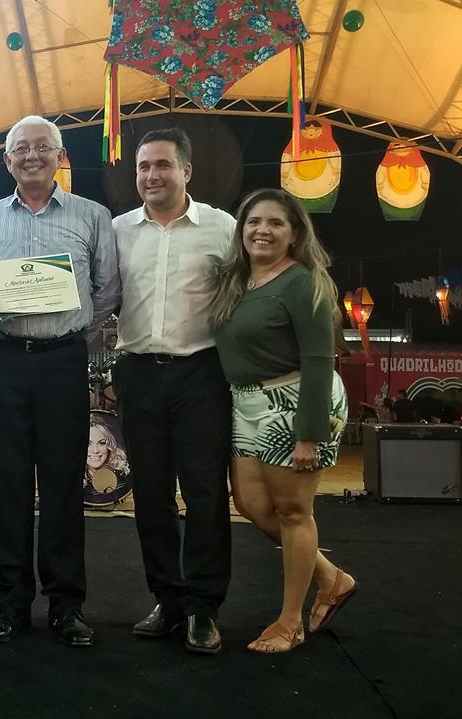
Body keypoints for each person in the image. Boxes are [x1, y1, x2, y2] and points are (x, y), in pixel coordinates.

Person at [0, 115, 120, 647]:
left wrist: (73, 332)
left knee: (62, 481)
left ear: (59, 156)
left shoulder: (92, 215)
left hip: (62, 363)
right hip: (3, 359)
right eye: (21, 149)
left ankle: (66, 604)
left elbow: (107, 290)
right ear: (7, 161)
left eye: (42, 147)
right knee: (4, 481)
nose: (32, 155)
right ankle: (9, 600)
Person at [212, 188, 357, 653]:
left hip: (294, 401)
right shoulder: (237, 281)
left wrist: (308, 434)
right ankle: (331, 578)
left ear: (295, 233)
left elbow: (319, 359)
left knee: (294, 511)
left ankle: (290, 622)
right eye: (254, 221)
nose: (263, 230)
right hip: (246, 402)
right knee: (252, 504)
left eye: (276, 223)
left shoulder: (302, 282)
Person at [111, 128, 234, 654]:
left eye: (162, 165)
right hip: (137, 374)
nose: (151, 175)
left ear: (187, 171)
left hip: (202, 373)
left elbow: (250, 291)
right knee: (151, 493)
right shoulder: (117, 230)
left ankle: (203, 607)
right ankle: (167, 599)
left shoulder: (223, 228)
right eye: (143, 166)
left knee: (206, 492)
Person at [84, 418, 131, 507]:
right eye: (88, 444)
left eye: (102, 443)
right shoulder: (73, 483)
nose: (95, 451)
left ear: (110, 446)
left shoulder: (124, 480)